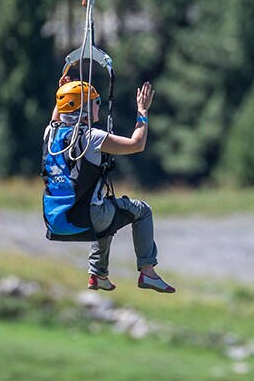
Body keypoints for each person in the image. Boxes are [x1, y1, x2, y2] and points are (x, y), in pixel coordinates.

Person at [42, 75, 175, 293]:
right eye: (96, 102)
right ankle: (148, 271)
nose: (98, 106)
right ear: (84, 108)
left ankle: (98, 275)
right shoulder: (91, 137)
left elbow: (58, 117)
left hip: (56, 219)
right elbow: (136, 144)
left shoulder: (50, 134)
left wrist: (65, 92)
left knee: (105, 211)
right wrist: (143, 110)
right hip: (85, 217)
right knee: (141, 211)